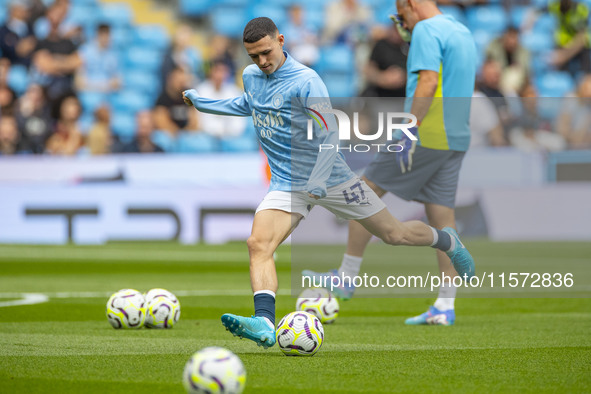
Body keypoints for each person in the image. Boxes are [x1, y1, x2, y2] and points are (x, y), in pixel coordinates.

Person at [183, 17, 475, 348]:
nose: (262, 62)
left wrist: (319, 182)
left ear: (281, 40)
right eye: (254, 56)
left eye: (266, 52)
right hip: (285, 182)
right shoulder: (251, 76)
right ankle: (264, 322)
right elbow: (249, 106)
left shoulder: (307, 82)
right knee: (258, 244)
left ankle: (447, 240)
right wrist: (203, 103)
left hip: (331, 179)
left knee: (396, 234)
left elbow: (329, 135)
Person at [304, 0, 477, 326]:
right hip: (455, 138)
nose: (402, 23)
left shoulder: (427, 29)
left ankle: (346, 277)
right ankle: (444, 305)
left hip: (424, 135)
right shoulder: (462, 31)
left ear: (412, 4)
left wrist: (410, 126)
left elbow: (427, 81)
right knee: (443, 221)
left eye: (402, 13)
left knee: (361, 193)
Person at [196, 60, 246, 138]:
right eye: (217, 71)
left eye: (223, 71)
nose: (220, 75)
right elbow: (201, 121)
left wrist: (230, 133)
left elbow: (238, 120)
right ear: (211, 72)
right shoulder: (201, 91)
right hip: (207, 135)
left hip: (231, 136)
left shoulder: (234, 91)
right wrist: (218, 132)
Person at [76, 24, 121, 95]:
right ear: (97, 35)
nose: (106, 38)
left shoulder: (113, 55)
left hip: (107, 94)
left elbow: (117, 82)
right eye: (103, 35)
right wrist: (101, 87)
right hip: (88, 92)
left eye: (108, 35)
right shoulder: (85, 51)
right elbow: (79, 81)